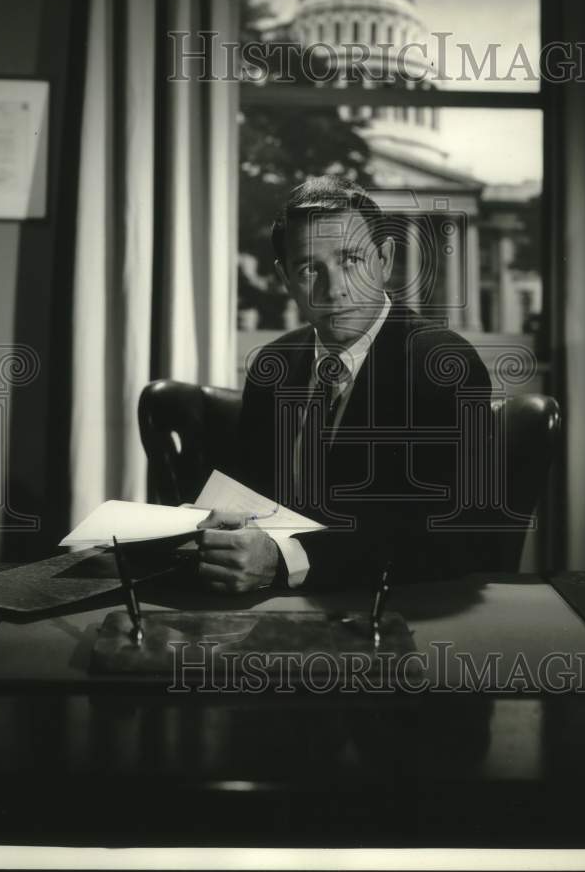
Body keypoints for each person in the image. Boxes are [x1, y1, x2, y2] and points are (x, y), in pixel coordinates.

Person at [196, 176, 491, 592]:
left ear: (385, 260)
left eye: (351, 259)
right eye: (309, 268)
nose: (334, 290)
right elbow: (249, 499)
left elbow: (448, 539)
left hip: (396, 614)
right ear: (285, 278)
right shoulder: (273, 365)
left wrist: (286, 561)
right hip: (271, 610)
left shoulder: (442, 365)